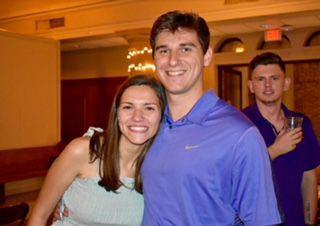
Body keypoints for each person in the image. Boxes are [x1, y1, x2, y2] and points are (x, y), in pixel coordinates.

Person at [141, 11, 282, 225]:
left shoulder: (240, 135)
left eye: (185, 49)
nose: (172, 61)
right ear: (154, 59)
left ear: (207, 56)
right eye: (163, 51)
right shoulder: (147, 125)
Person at [27, 75, 166, 226]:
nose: (137, 117)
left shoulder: (162, 166)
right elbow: (38, 217)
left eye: (149, 108)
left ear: (162, 116)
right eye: (128, 107)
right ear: (116, 114)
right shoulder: (83, 151)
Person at [243, 52, 320, 226]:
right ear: (251, 86)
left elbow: (308, 177)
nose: (268, 85)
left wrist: (309, 222)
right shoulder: (238, 124)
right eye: (260, 79)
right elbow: (233, 175)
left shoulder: (302, 123)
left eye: (275, 78)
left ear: (286, 83)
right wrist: (275, 150)